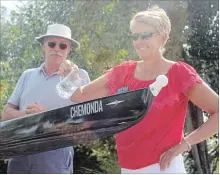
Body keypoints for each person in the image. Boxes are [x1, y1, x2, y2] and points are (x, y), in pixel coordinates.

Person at [58, 5, 219, 174]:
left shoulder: (179, 74)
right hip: (127, 170)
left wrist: (183, 145)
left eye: (146, 35)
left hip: (165, 169)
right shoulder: (122, 73)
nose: (139, 41)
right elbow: (79, 95)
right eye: (135, 36)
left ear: (163, 37)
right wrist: (68, 73)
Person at [2, 24, 91, 174]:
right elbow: (6, 114)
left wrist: (47, 115)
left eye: (63, 46)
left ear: (69, 50)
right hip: (20, 149)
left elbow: (85, 123)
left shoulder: (79, 77)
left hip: (55, 151)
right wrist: (28, 115)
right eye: (52, 43)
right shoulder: (27, 75)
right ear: (44, 46)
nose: (56, 48)